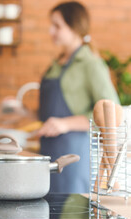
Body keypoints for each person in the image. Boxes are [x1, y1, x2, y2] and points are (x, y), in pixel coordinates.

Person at [37, 1, 119, 193]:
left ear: (75, 28)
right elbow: (51, 113)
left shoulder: (91, 64)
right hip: (48, 153)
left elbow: (112, 112)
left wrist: (66, 124)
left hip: (74, 157)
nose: (51, 31)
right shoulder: (56, 64)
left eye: (57, 26)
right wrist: (21, 111)